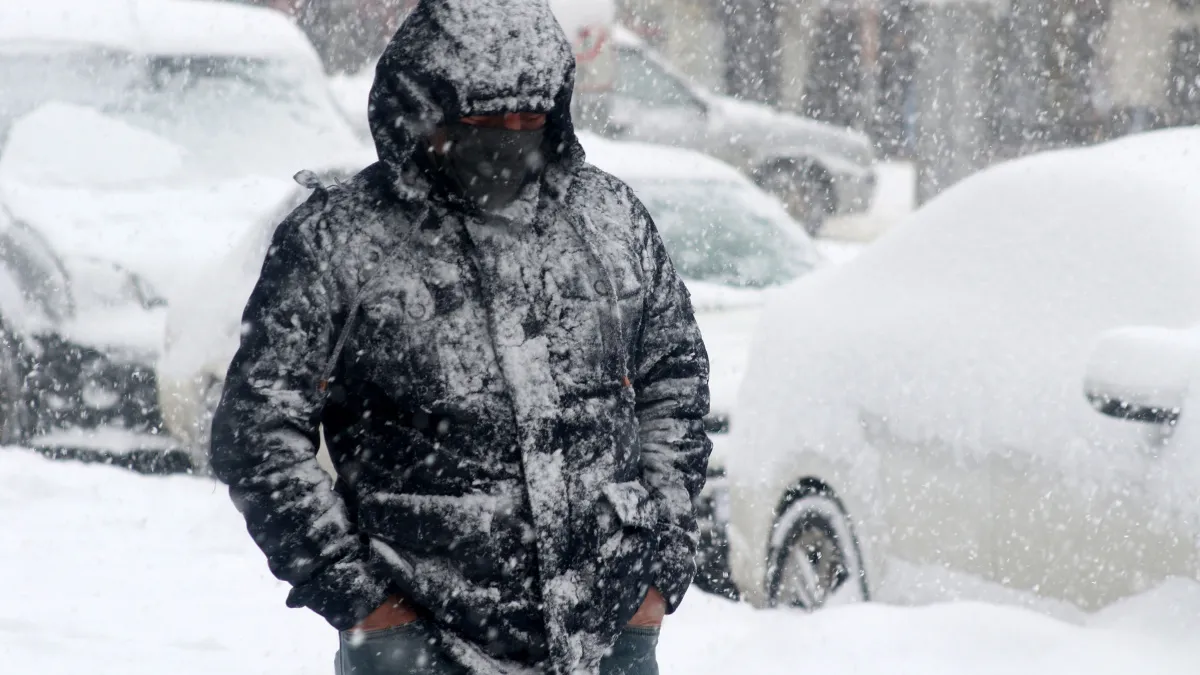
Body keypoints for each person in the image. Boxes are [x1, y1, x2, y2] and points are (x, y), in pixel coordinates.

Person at [209, 1, 712, 673]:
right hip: (419, 640)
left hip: (609, 633)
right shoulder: (342, 241)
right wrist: (358, 594)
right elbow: (259, 430)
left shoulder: (608, 220)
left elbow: (673, 382)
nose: (509, 139)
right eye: (483, 122)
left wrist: (659, 563)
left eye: (528, 120)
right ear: (423, 111)